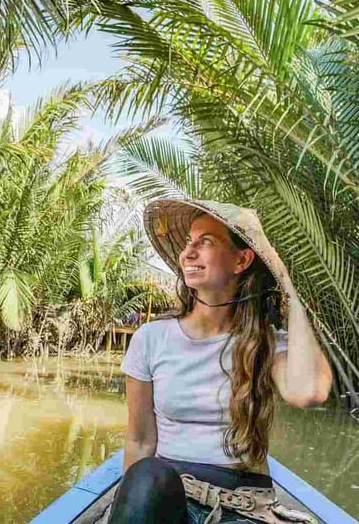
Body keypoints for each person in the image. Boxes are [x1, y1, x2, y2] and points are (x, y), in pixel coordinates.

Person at [108, 199, 333, 524]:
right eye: (189, 243)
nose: (189, 252)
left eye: (206, 242)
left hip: (242, 501)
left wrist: (291, 294)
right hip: (169, 492)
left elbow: (309, 392)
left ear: (241, 260)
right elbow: (140, 441)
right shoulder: (151, 339)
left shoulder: (267, 343)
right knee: (147, 476)